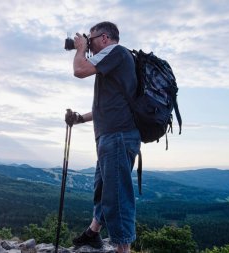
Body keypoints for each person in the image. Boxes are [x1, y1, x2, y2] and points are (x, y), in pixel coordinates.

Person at [65, 21, 141, 253]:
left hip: (118, 136)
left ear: (105, 38)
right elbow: (108, 106)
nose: (88, 41)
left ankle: (123, 249)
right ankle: (93, 233)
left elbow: (80, 71)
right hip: (112, 136)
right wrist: (80, 118)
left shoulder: (116, 52)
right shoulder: (112, 61)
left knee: (117, 195)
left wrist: (80, 49)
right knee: (102, 187)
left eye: (91, 37)